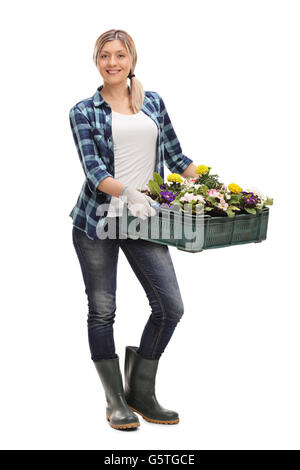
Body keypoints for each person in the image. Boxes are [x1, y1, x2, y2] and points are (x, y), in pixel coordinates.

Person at [69, 29, 199, 430]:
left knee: (169, 307)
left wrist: (214, 188)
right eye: (104, 56)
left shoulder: (153, 103)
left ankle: (141, 393)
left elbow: (177, 156)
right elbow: (94, 173)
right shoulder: (84, 110)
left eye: (120, 55)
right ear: (97, 61)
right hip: (99, 221)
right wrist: (129, 192)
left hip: (144, 221)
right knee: (103, 310)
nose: (112, 63)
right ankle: (115, 401)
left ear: (132, 60)